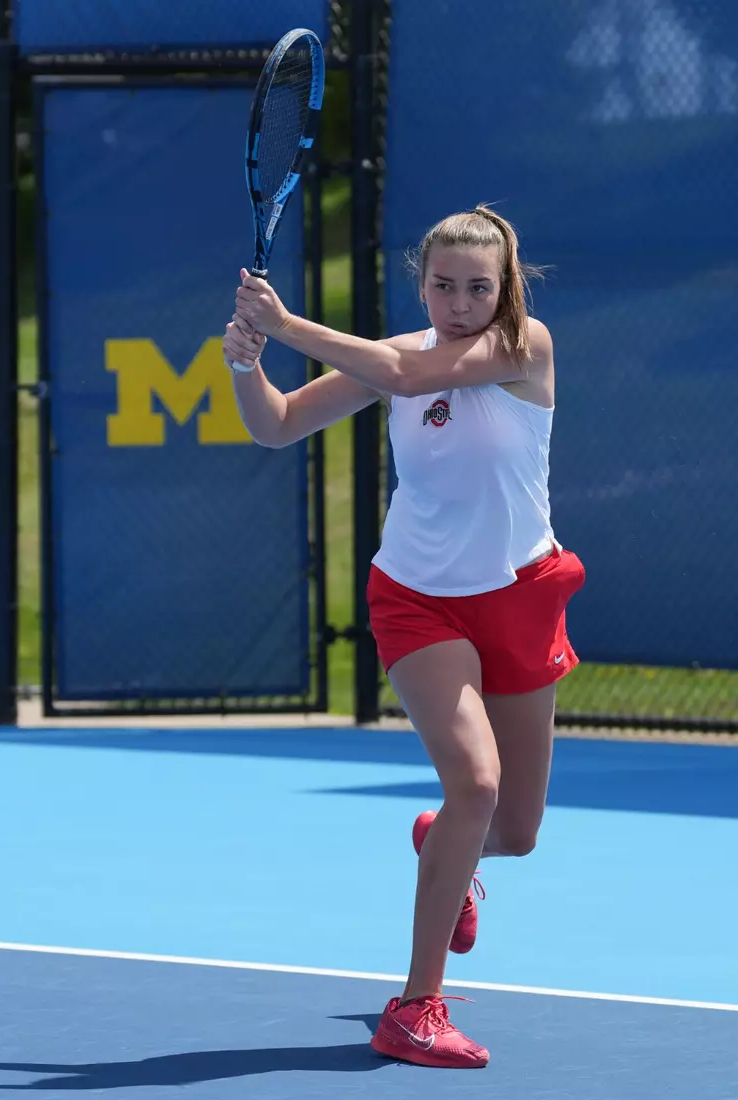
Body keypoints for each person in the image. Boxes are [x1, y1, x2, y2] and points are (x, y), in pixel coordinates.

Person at [223, 204, 585, 1070]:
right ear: (421, 282)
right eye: (444, 285)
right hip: (420, 601)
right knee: (478, 782)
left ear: (506, 289)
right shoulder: (398, 357)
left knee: (518, 828)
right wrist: (247, 362)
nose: (460, 301)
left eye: (479, 287)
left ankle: (443, 843)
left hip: (523, 592)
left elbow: (408, 376)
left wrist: (287, 321)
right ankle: (415, 1007)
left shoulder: (525, 346)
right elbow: (274, 425)